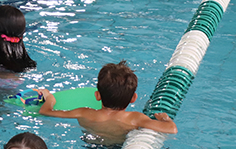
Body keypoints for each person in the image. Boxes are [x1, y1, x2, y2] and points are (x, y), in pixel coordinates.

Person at [37, 60, 177, 144]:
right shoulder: (135, 118)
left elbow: (45, 111)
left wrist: (50, 97)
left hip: (90, 144)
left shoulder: (83, 112)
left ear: (97, 95)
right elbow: (171, 129)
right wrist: (165, 118)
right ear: (133, 98)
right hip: (119, 148)